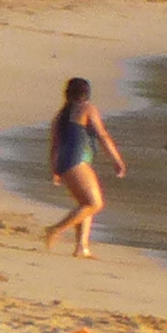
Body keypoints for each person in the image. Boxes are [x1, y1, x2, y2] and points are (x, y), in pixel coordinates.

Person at [36, 78, 125, 258]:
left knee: (84, 204)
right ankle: (55, 229)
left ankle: (81, 247)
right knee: (94, 203)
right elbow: (102, 135)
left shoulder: (60, 115)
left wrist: (55, 169)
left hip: (65, 161)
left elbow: (54, 144)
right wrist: (117, 160)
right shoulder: (87, 108)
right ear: (86, 93)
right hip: (77, 161)